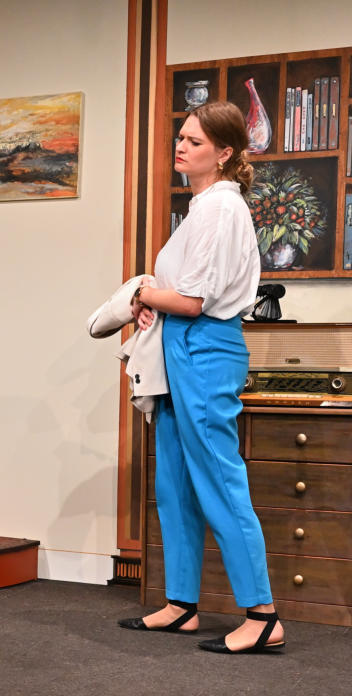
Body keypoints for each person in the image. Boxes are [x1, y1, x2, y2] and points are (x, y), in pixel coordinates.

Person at [118, 101, 284, 654]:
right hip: (181, 347)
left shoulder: (219, 208)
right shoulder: (201, 209)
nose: (181, 147)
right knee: (175, 482)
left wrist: (140, 293)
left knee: (217, 478)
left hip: (205, 348)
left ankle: (263, 616)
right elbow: (181, 296)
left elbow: (192, 301)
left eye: (194, 141)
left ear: (225, 152)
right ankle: (182, 604)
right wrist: (151, 303)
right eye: (181, 137)